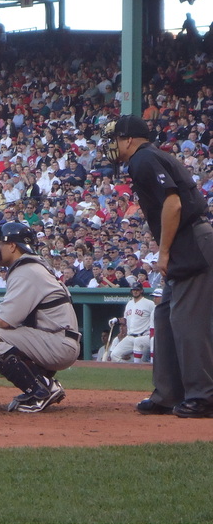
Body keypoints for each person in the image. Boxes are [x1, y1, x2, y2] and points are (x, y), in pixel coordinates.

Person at [102, 114, 213, 418]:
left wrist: (162, 253)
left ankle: (203, 397)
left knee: (187, 321)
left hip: (192, 240)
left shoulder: (143, 158)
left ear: (128, 139)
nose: (111, 145)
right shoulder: (147, 158)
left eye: (114, 139)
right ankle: (167, 395)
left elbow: (173, 203)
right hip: (187, 240)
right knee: (164, 317)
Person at [0, 222, 81, 413]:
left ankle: (40, 391)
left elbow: (4, 320)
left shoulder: (26, 271)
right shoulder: (31, 266)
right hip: (54, 338)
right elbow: (11, 316)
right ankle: (44, 383)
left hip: (56, 343)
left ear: (12, 246)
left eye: (0, 243)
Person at [107, 282, 154, 363]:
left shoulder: (149, 303)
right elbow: (125, 320)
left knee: (142, 360)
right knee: (114, 355)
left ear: (141, 291)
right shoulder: (129, 303)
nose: (135, 291)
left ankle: (136, 368)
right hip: (130, 336)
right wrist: (116, 320)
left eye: (137, 290)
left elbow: (155, 317)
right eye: (133, 290)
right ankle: (130, 369)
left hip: (143, 337)